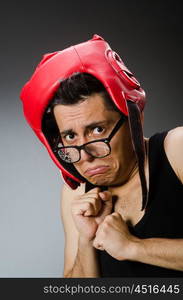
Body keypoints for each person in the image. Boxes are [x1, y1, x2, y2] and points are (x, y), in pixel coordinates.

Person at [20, 34, 183, 277]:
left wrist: (133, 247)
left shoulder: (176, 150)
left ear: (133, 120)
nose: (85, 156)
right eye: (71, 137)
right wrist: (86, 242)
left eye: (97, 130)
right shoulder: (75, 194)